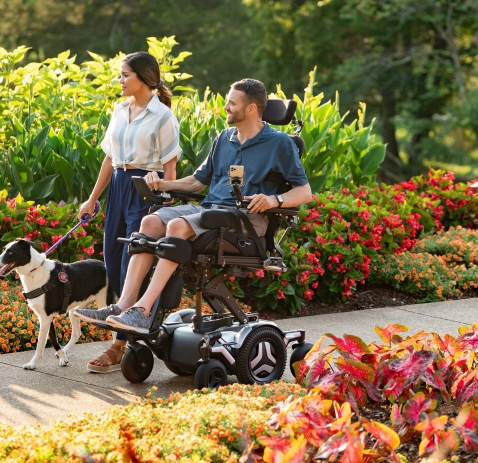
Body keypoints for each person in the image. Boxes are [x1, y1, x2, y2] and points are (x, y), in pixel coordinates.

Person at [74, 78, 312, 332]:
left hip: (243, 220)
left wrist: (275, 199)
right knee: (150, 221)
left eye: (232, 103)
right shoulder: (225, 138)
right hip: (209, 211)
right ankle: (124, 306)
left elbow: (305, 192)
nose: (226, 108)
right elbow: (198, 183)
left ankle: (143, 311)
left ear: (251, 108)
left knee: (177, 226)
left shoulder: (280, 144)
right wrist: (162, 184)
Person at [77, 51, 181, 372]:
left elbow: (170, 169)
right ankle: (121, 329)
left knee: (128, 264)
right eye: (119, 75)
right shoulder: (119, 109)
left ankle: (118, 347)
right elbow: (110, 158)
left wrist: (163, 205)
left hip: (145, 190)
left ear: (144, 78)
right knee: (112, 260)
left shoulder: (163, 116)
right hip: (118, 189)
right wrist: (93, 198)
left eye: (125, 75)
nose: (119, 81)